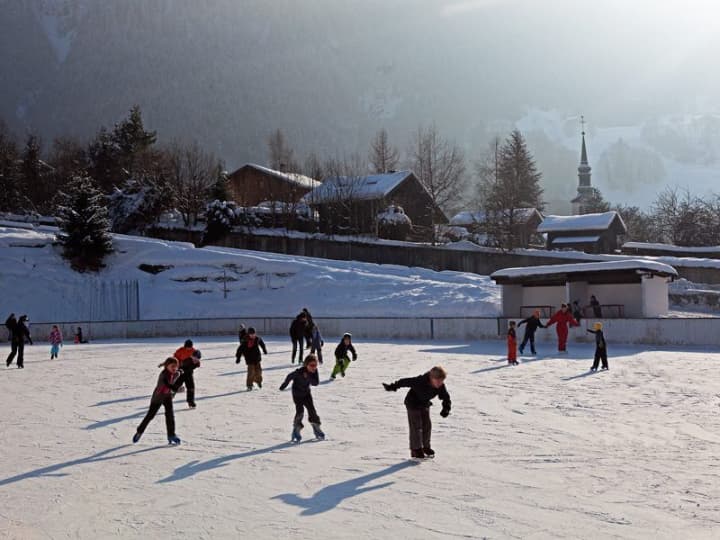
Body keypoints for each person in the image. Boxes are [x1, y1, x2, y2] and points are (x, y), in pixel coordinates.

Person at [383, 366, 451, 460]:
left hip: (424, 404)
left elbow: (446, 397)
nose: (440, 384)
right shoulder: (420, 381)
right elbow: (404, 382)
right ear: (431, 378)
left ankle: (426, 447)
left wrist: (446, 408)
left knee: (427, 425)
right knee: (416, 426)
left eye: (441, 381)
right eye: (438, 381)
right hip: (412, 403)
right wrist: (392, 386)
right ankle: (416, 449)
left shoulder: (440, 386)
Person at [133, 357, 185, 445]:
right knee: (150, 416)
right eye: (172, 366)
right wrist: (177, 389)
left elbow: (178, 372)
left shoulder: (176, 373)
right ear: (167, 366)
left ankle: (171, 435)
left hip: (167, 397)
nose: (174, 368)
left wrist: (180, 371)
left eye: (176, 366)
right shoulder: (163, 375)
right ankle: (139, 431)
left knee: (170, 416)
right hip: (158, 397)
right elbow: (168, 385)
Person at [279, 353, 324, 442]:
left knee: (312, 411)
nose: (314, 367)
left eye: (315, 365)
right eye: (312, 365)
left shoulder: (314, 372)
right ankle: (296, 428)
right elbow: (289, 376)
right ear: (306, 364)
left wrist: (309, 376)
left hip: (307, 394)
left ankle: (316, 426)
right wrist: (284, 385)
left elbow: (315, 383)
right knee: (300, 411)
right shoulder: (299, 372)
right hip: (297, 394)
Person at [174, 340, 201, 408]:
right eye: (187, 347)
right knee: (176, 385)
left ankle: (190, 402)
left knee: (191, 387)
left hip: (189, 373)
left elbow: (197, 361)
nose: (189, 349)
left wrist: (196, 363)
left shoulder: (194, 351)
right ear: (185, 346)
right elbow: (175, 358)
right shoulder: (180, 351)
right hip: (181, 372)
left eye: (190, 347)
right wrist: (178, 364)